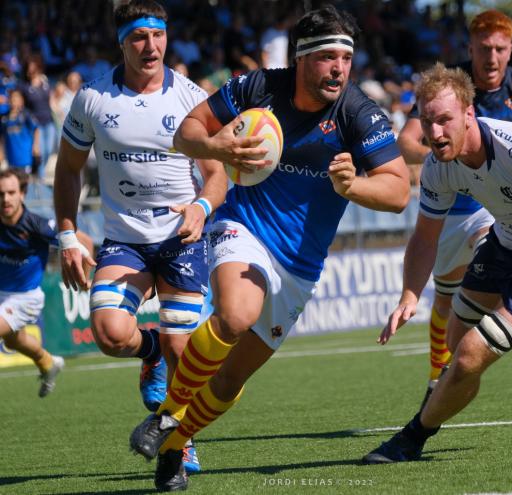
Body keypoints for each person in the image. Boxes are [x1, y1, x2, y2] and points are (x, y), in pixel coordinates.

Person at [129, 5, 411, 491]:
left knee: (230, 380)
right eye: (327, 57)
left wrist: (353, 187)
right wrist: (221, 149)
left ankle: (174, 445)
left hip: (301, 266)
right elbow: (187, 132)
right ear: (301, 58)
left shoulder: (358, 113)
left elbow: (399, 190)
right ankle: (168, 415)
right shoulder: (257, 88)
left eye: (346, 58)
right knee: (236, 316)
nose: (339, 68)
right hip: (243, 228)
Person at [363, 63, 512, 464]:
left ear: (469, 115)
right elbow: (425, 236)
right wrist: (409, 294)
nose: (435, 132)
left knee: (468, 358)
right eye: (427, 121)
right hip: (503, 247)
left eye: (445, 120)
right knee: (458, 353)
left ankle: (411, 438)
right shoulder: (438, 166)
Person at [53, 0, 227, 473]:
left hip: (182, 238)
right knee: (110, 334)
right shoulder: (92, 99)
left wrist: (202, 206)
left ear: (166, 37)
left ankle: (179, 439)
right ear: (121, 41)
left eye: (157, 35)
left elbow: (216, 173)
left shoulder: (192, 97)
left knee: (181, 349)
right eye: (138, 37)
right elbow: (68, 170)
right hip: (125, 240)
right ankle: (146, 352)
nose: (150, 47)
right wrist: (68, 235)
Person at [397, 10, 512, 406]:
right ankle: (436, 377)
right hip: (446, 205)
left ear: (510, 50)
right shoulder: (447, 89)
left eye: (500, 49)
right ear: (469, 48)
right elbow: (406, 141)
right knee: (444, 302)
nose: (492, 58)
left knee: (492, 253)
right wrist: (444, 151)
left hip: (493, 209)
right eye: (484, 49)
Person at [0, 168, 93, 397]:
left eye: (11, 192)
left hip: (25, 298)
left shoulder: (36, 224)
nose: (5, 199)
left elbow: (84, 241)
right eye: (0, 194)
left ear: (22, 194)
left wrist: (85, 277)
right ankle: (48, 363)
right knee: (14, 341)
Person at [0, 89, 40, 174]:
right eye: (11, 99)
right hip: (11, 158)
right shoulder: (4, 118)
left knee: (25, 183)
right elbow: (2, 137)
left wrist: (36, 146)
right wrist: (1, 151)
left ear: (21, 101)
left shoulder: (25, 115)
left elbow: (36, 129)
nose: (13, 101)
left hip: (25, 158)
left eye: (16, 99)